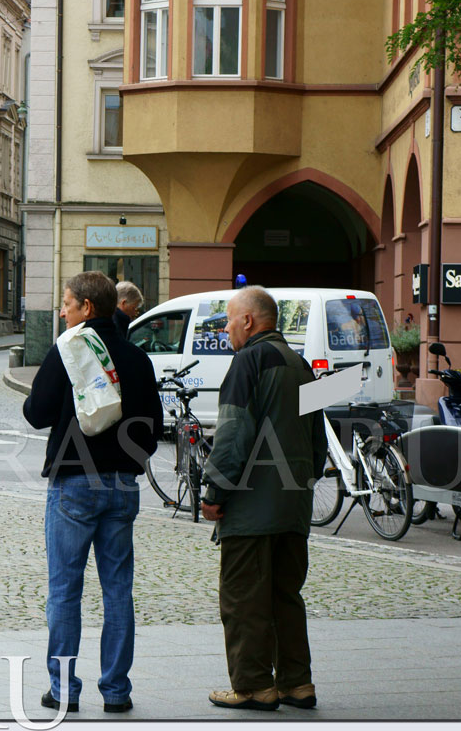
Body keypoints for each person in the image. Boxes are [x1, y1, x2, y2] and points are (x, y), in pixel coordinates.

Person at [23, 271, 164, 714]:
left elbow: (35, 413)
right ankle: (117, 691)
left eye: (66, 304)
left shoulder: (69, 351)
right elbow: (154, 431)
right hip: (123, 486)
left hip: (74, 484)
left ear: (86, 307)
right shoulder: (137, 358)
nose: (62, 311)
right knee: (118, 590)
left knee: (65, 589)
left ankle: (63, 690)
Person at [199, 286, 327, 712]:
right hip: (293, 507)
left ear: (249, 321)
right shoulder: (301, 365)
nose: (227, 329)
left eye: (230, 321)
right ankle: (297, 683)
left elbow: (233, 433)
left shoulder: (247, 361)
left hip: (253, 508)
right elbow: (318, 442)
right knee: (285, 598)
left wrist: (215, 491)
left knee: (244, 599)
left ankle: (254, 685)